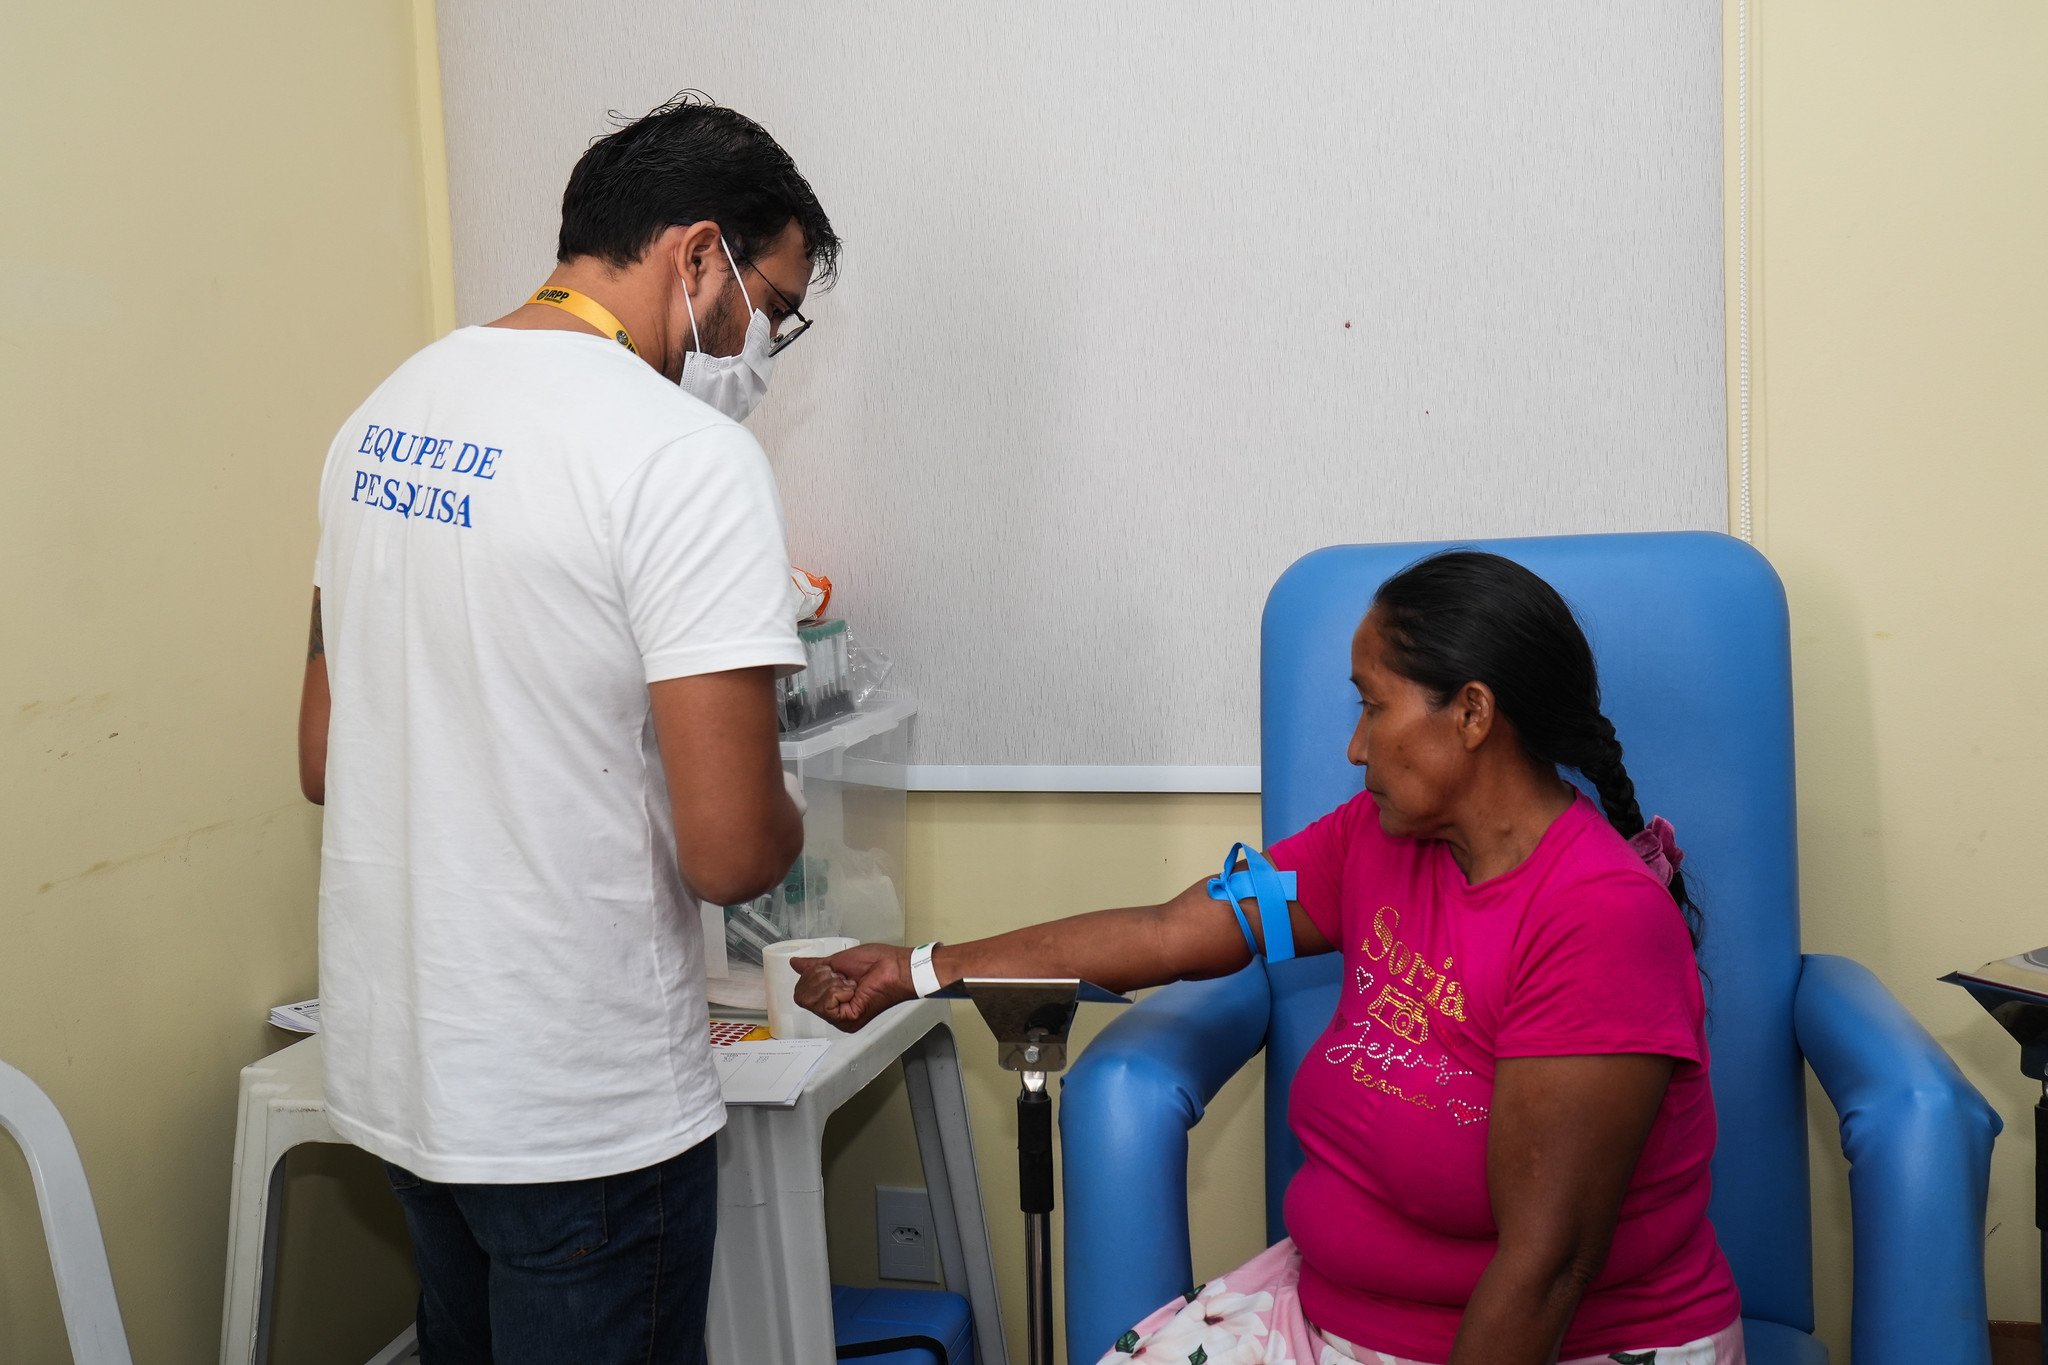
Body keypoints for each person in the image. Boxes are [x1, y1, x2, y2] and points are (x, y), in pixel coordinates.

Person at [796, 551, 1746, 1365]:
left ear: (1472, 713)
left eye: (1374, 707)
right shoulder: (1380, 840)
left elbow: (1547, 1270)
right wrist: (925, 967)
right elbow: (1170, 934)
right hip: (1332, 1318)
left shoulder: (1597, 921)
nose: (1353, 744)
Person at [296, 94, 837, 1365]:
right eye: (773, 304)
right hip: (575, 1102)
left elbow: (327, 756)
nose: (763, 348)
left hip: (406, 1070)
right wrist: (785, 805)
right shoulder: (679, 457)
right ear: (696, 254)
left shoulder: (384, 413)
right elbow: (732, 856)